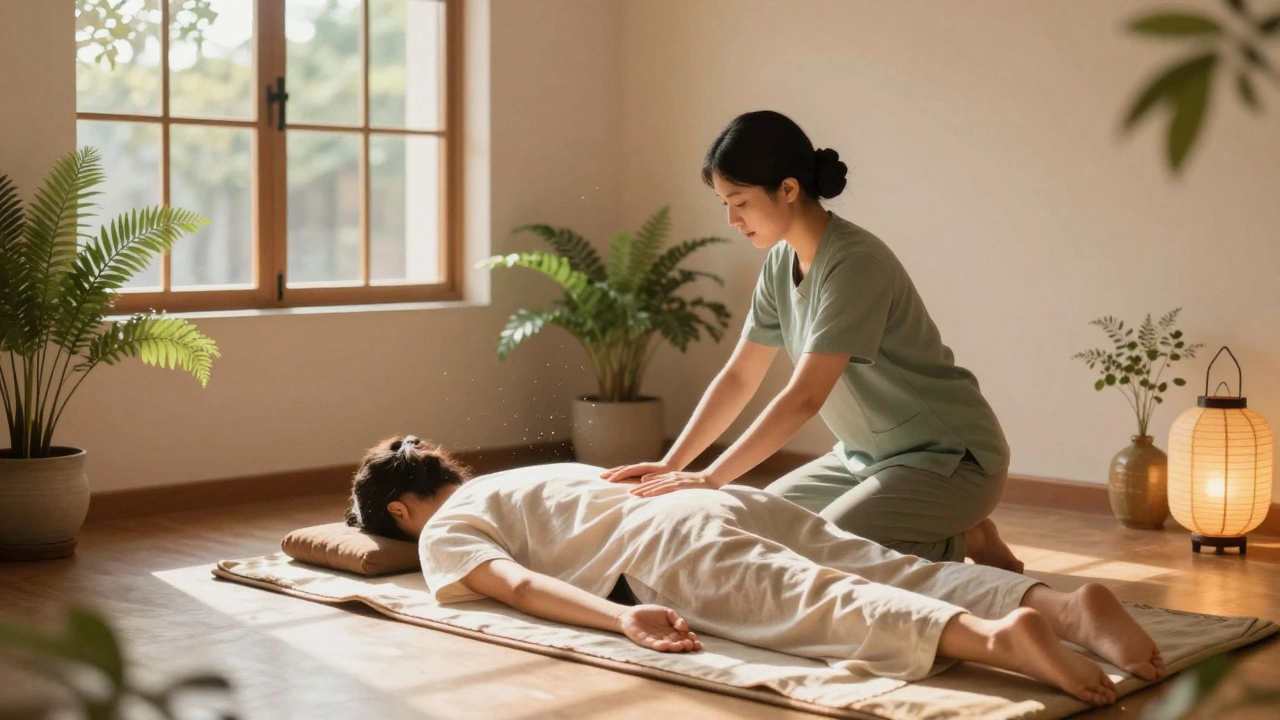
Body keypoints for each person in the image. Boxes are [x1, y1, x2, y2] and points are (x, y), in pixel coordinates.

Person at [345, 436, 1166, 706]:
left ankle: (994, 639)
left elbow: (517, 588)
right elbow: (625, 481)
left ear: (403, 511)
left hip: (665, 546)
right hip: (724, 501)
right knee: (884, 564)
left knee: (823, 603)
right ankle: (1058, 604)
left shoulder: (439, 530)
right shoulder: (519, 476)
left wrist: (621, 616)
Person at [602, 110, 1022, 572]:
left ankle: (963, 538)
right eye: (724, 203)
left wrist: (710, 476)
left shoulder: (855, 264)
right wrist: (674, 465)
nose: (731, 219)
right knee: (752, 528)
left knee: (822, 549)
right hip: (863, 459)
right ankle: (946, 530)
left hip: (949, 461)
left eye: (739, 201)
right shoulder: (781, 263)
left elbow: (804, 397)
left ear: (787, 189)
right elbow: (741, 376)